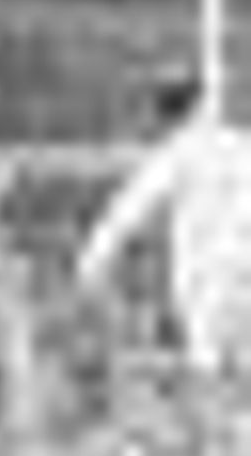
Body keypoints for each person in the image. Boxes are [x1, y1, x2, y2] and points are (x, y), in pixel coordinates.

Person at [74, 66, 251, 378]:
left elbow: (127, 213)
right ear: (200, 103)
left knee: (208, 371)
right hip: (242, 270)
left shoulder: (176, 155)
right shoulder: (240, 146)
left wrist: (92, 263)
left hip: (206, 277)